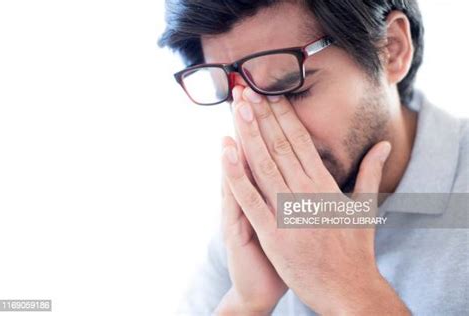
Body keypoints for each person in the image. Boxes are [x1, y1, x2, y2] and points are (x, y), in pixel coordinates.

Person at [159, 1, 468, 314]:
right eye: (236, 101)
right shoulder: (252, 226)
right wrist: (246, 303)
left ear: (391, 49)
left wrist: (352, 290)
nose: (268, 131)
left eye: (293, 89)